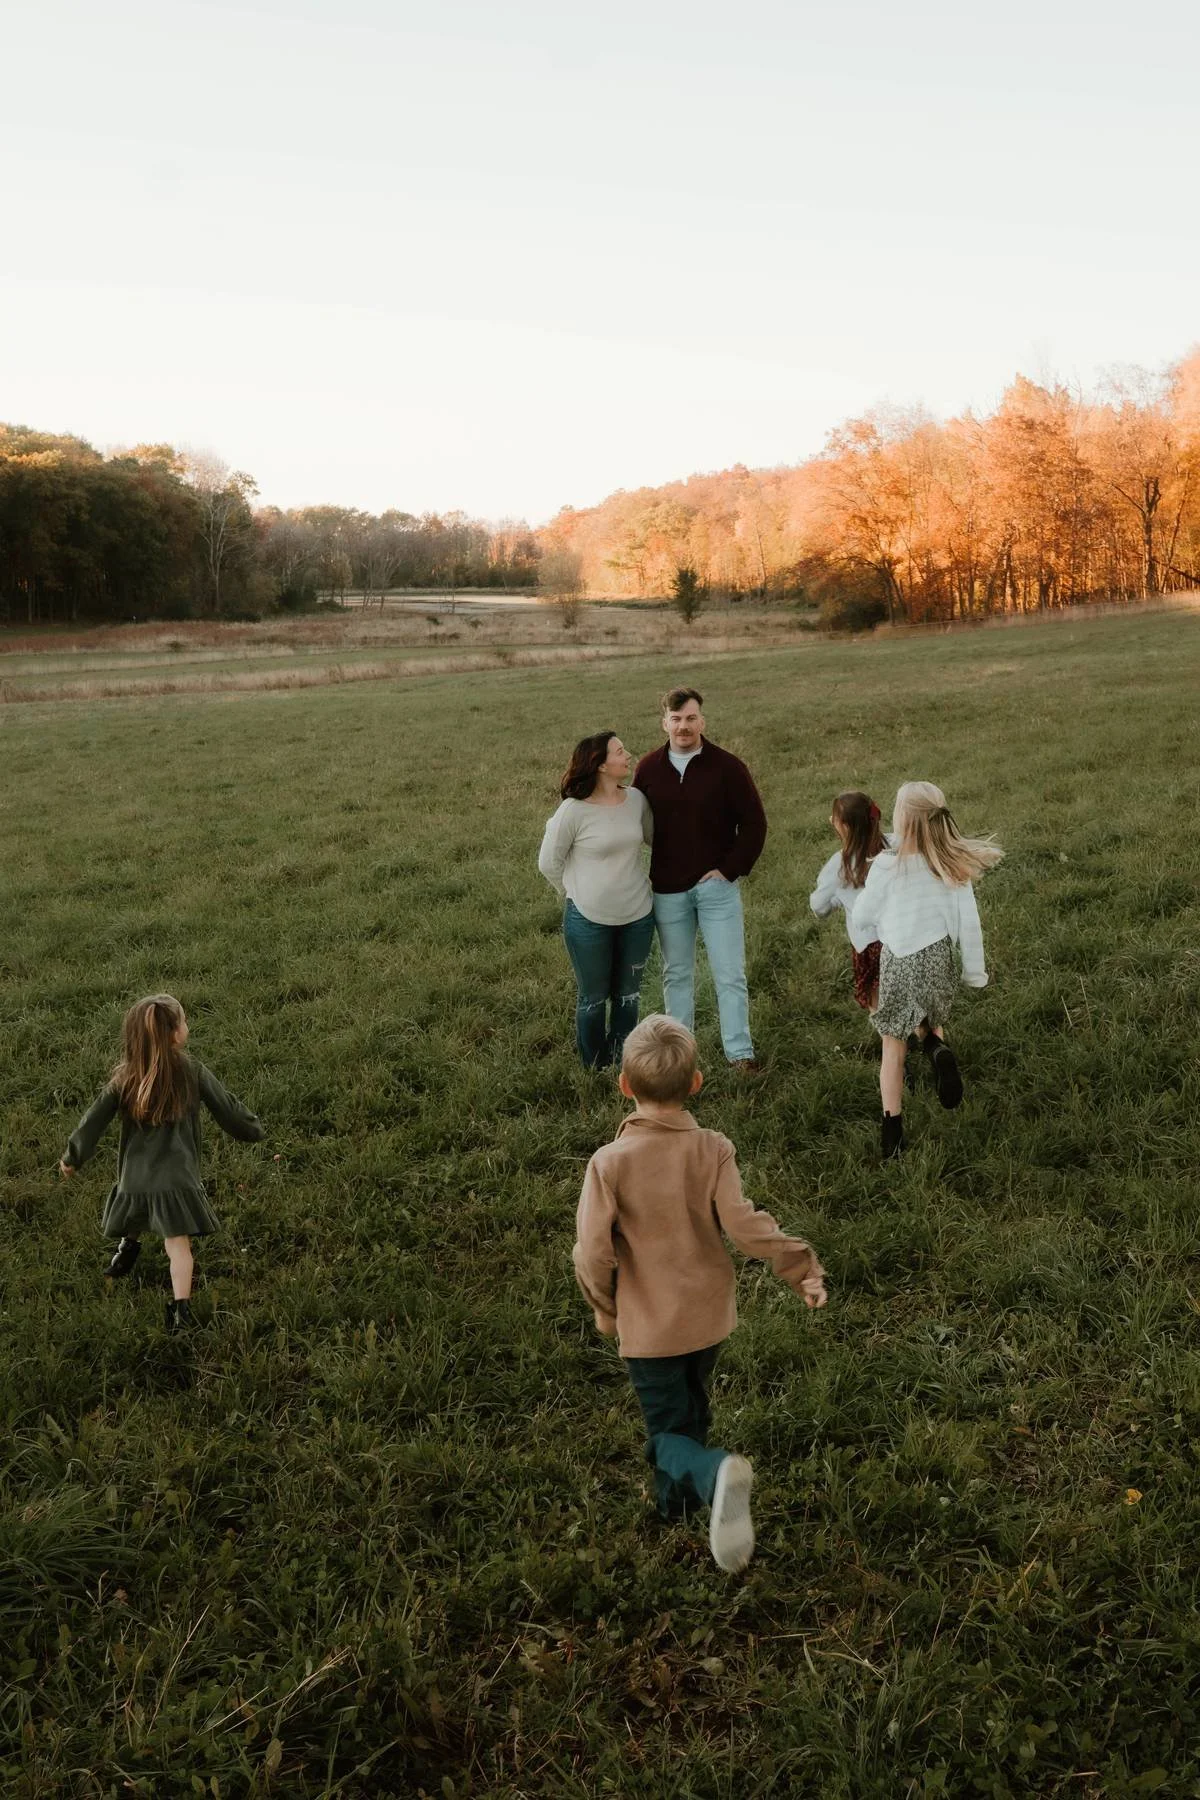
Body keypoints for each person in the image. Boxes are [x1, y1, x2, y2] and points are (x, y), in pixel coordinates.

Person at [573, 1014, 826, 1572]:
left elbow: (592, 1251)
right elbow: (744, 1225)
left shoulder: (609, 1164)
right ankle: (678, 1505)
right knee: (692, 1403)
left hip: (651, 1328)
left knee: (664, 1433)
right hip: (708, 1318)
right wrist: (800, 1264)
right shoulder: (713, 1149)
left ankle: (712, 1473)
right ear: (695, 1083)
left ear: (623, 1085)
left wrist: (604, 1307)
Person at [60, 994, 266, 1331]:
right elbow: (227, 1108)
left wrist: (73, 1156)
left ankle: (127, 1247)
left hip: (136, 1179)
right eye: (184, 1021)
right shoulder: (192, 1071)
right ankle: (180, 1310)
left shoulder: (125, 1077)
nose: (187, 1026)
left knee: (138, 1208)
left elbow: (92, 1121)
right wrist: (253, 1130)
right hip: (177, 1181)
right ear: (175, 1034)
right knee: (178, 1247)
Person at [849, 782, 1003, 1160]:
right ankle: (936, 1046)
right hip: (938, 961)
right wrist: (974, 972)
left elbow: (864, 915)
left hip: (899, 962)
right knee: (931, 1019)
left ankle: (893, 1136)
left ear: (901, 819)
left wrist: (873, 926)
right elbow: (970, 924)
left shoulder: (886, 866)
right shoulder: (950, 866)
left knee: (893, 1047)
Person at [632, 688, 767, 1070]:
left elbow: (755, 824)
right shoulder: (648, 769)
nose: (684, 726)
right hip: (668, 889)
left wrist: (728, 870)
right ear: (665, 723)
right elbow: (634, 822)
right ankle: (679, 1058)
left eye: (691, 718)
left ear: (702, 721)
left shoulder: (727, 767)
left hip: (716, 889)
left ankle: (739, 1054)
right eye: (676, 719)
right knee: (677, 975)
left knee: (729, 973)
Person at [538, 731, 655, 1068]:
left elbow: (655, 839)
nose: (628, 755)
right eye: (621, 752)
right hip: (588, 921)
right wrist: (573, 890)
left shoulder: (636, 800)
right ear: (601, 764)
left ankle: (622, 1063)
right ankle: (594, 1067)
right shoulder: (573, 811)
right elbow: (548, 862)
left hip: (638, 916)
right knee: (593, 999)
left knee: (628, 997)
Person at [809, 790, 889, 1011]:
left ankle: (893, 1040)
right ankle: (921, 1032)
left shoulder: (839, 864)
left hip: (868, 944)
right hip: (900, 933)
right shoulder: (892, 844)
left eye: (834, 819)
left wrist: (837, 900)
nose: (831, 821)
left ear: (845, 827)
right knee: (904, 990)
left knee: (877, 1001)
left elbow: (818, 905)